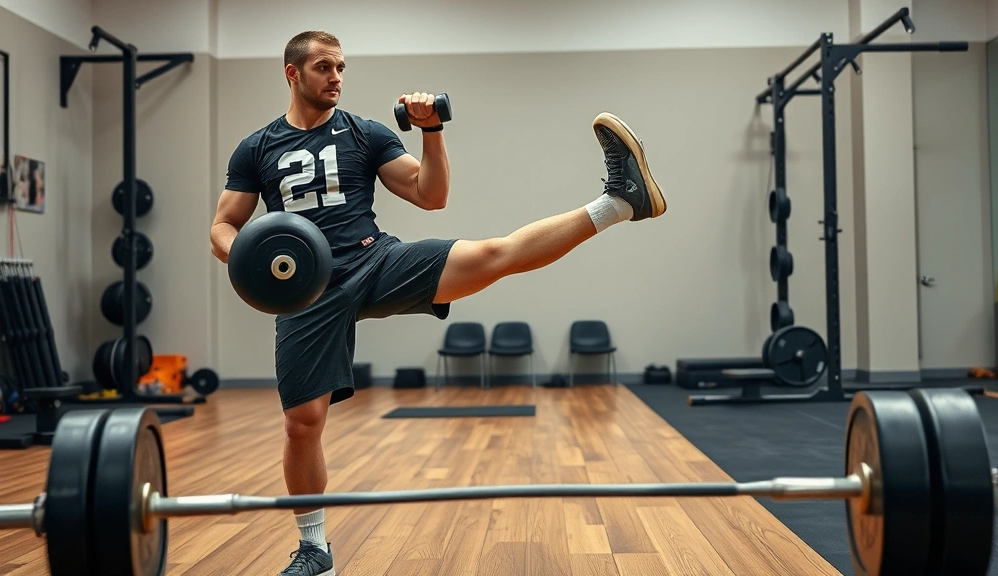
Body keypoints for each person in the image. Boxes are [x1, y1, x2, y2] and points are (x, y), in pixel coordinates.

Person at [209, 30, 667, 576]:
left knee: (496, 254)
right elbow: (223, 226)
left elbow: (432, 195)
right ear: (293, 74)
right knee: (302, 424)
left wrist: (431, 130)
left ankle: (618, 202)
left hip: (374, 261)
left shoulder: (364, 133)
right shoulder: (258, 147)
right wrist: (253, 263)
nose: (336, 77)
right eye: (324, 67)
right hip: (307, 287)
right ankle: (314, 550)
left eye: (341, 67)